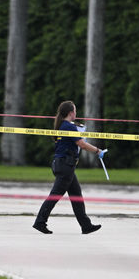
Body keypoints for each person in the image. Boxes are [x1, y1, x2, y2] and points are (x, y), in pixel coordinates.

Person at [33, 100, 107, 234]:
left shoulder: (63, 125)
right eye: (75, 111)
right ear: (71, 113)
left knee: (76, 195)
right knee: (55, 196)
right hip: (65, 166)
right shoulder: (69, 127)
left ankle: (86, 225)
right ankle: (39, 222)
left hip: (63, 165)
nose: (76, 113)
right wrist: (98, 151)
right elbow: (82, 144)